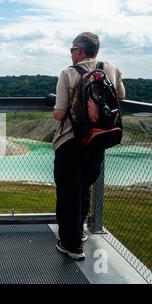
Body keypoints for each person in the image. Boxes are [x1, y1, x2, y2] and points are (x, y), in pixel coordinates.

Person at [53, 32, 126, 260]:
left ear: (81, 50)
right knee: (83, 187)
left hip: (70, 142)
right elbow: (121, 96)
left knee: (67, 192)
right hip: (96, 141)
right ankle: (80, 232)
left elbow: (59, 114)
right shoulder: (110, 69)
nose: (71, 54)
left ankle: (71, 244)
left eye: (72, 49)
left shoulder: (68, 73)